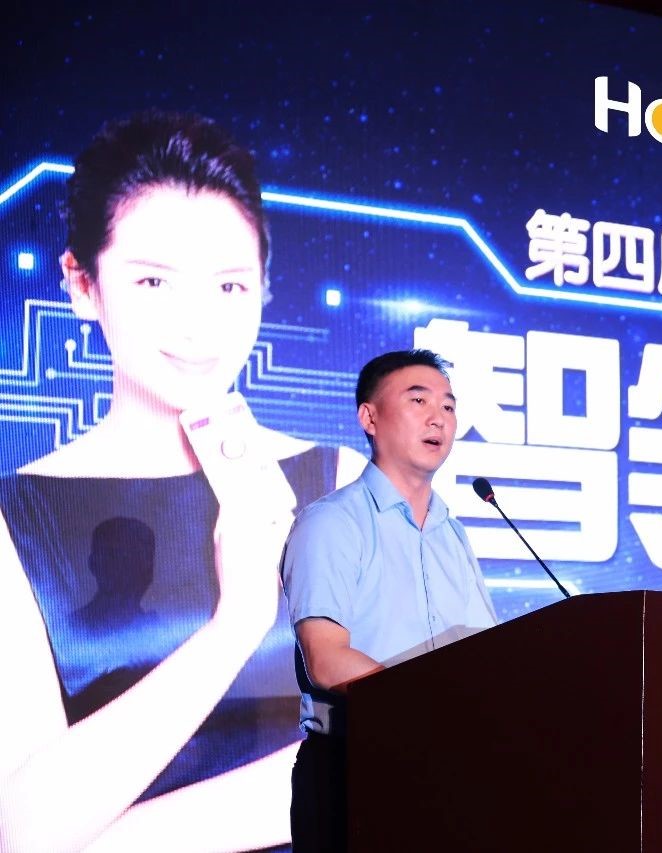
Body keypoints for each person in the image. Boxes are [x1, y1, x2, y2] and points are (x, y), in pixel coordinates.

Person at [0, 111, 365, 852]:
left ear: (263, 287)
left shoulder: (340, 483)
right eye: (153, 280)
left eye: (229, 285)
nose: (198, 324)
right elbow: (21, 825)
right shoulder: (17, 516)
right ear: (81, 284)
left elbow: (405, 745)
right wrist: (237, 623)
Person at [281, 349, 498, 853]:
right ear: (369, 417)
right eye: (418, 400)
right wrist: (432, 708)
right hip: (356, 766)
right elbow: (327, 661)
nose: (438, 418)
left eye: (448, 406)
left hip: (452, 770)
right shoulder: (332, 523)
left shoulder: (452, 534)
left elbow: (486, 654)